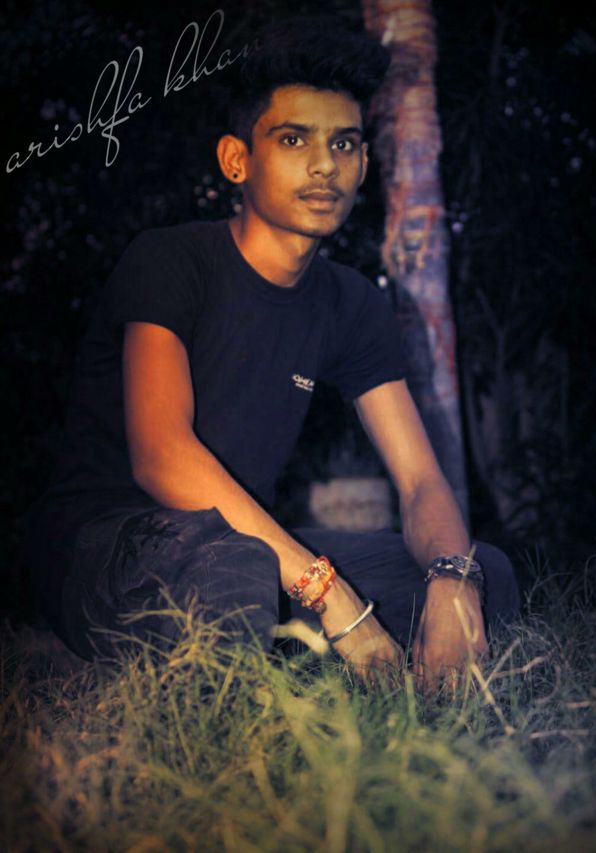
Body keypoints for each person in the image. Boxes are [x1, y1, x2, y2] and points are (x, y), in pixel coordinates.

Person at [28, 18, 519, 689]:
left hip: (245, 549)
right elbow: (161, 455)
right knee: (237, 572)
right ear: (237, 161)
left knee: (486, 571)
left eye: (344, 143)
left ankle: (278, 648)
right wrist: (333, 597)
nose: (325, 165)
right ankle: (267, 648)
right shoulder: (171, 261)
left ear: (364, 164)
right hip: (107, 544)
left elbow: (420, 482)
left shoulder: (351, 304)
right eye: (294, 139)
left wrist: (452, 581)